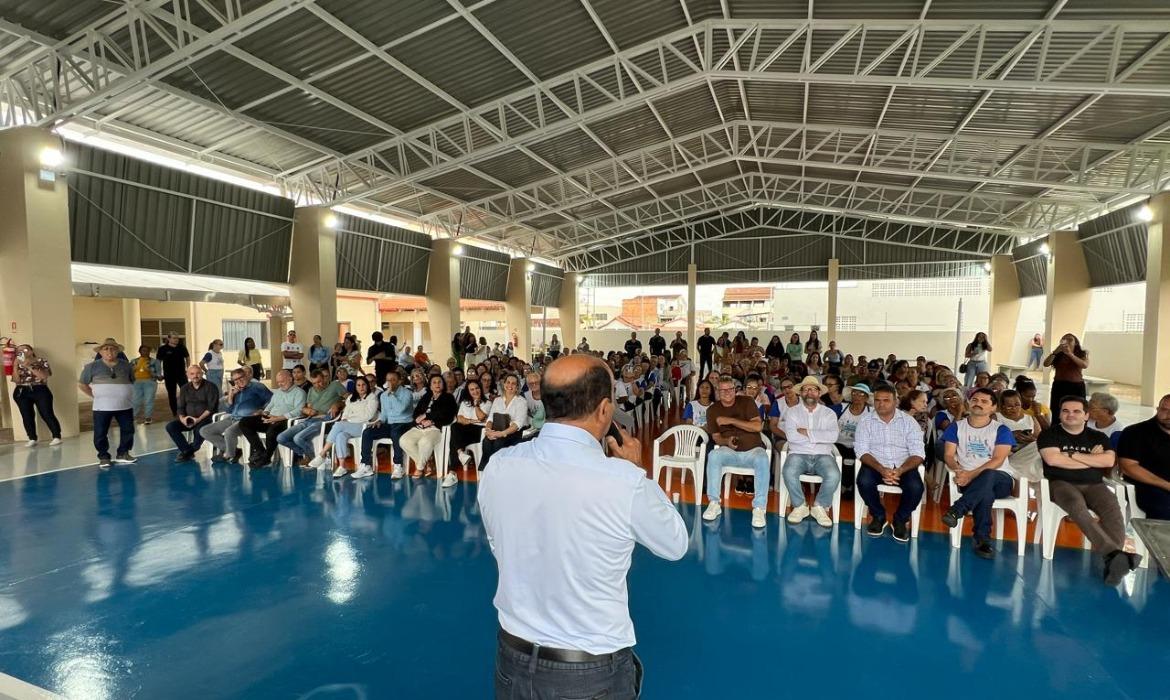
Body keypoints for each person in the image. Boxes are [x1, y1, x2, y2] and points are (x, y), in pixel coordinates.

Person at [479, 354, 685, 699]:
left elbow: (499, 544)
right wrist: (638, 471)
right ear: (604, 410)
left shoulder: (498, 466)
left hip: (512, 659)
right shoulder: (623, 482)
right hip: (588, 673)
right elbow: (674, 543)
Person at [1039, 395, 1139, 584]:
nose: (1070, 415)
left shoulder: (1098, 437)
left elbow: (1108, 461)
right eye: (1065, 411)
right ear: (1059, 414)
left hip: (1095, 484)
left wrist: (1071, 455)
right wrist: (1091, 460)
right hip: (1061, 483)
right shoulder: (1049, 435)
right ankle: (1114, 554)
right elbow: (1053, 460)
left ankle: (1115, 562)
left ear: (1086, 415)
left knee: (1112, 507)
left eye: (1076, 411)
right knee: (1076, 506)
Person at [939, 388, 1016, 560]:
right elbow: (949, 456)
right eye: (974, 400)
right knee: (985, 493)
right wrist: (958, 470)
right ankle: (982, 540)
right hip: (968, 480)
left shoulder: (1002, 430)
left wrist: (970, 475)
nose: (978, 403)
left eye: (984, 401)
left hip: (1000, 479)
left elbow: (998, 460)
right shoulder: (956, 427)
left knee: (988, 474)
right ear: (968, 403)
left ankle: (958, 509)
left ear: (993, 408)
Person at [854, 385, 926, 542]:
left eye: (886, 400)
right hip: (875, 464)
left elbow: (918, 453)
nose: (881, 404)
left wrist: (900, 470)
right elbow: (861, 451)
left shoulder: (909, 422)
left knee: (916, 487)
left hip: (903, 465)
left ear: (896, 401)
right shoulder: (865, 421)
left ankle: (900, 519)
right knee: (864, 481)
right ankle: (878, 515)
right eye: (877, 400)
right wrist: (881, 469)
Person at [702, 376, 770, 528]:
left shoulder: (747, 402)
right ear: (717, 392)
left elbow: (757, 427)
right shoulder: (712, 410)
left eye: (730, 389)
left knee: (762, 458)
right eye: (723, 390)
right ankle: (714, 503)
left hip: (753, 450)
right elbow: (716, 437)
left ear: (735, 390)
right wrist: (726, 441)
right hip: (729, 452)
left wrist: (731, 420)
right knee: (713, 455)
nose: (727, 392)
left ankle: (759, 508)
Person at [779, 376, 840, 527]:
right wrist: (819, 436)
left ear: (819, 393)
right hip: (798, 453)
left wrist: (806, 432)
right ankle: (800, 506)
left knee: (834, 475)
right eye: (806, 389)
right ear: (800, 393)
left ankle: (820, 506)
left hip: (823, 455)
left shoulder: (828, 413)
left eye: (813, 389)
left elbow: (833, 436)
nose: (809, 392)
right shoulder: (792, 412)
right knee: (788, 471)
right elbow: (791, 436)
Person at [78, 338, 136, 468]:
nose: (109, 351)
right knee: (100, 432)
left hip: (125, 405)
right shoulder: (91, 367)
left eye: (113, 349)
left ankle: (123, 454)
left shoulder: (127, 365)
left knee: (128, 430)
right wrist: (95, 395)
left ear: (118, 351)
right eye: (106, 349)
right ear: (101, 352)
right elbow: (82, 384)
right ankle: (104, 457)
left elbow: (132, 381)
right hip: (101, 407)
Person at [200, 368, 271, 463]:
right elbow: (229, 410)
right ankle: (233, 450)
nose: (239, 381)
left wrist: (262, 410)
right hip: (232, 418)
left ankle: (229, 455)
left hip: (247, 420)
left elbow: (271, 400)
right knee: (205, 431)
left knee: (229, 432)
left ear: (246, 376)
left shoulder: (257, 387)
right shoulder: (235, 390)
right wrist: (231, 395)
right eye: (235, 380)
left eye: (241, 377)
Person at [312, 376, 379, 476]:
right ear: (355, 387)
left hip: (364, 426)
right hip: (350, 426)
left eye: (363, 385)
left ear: (367, 386)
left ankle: (322, 454)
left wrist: (351, 418)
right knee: (340, 435)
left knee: (339, 425)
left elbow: (368, 416)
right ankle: (342, 466)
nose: (361, 387)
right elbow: (345, 414)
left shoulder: (372, 397)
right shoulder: (351, 398)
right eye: (358, 385)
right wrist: (347, 419)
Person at [276, 369, 346, 466]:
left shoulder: (335, 385)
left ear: (324, 378)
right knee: (281, 438)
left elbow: (350, 399)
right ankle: (308, 454)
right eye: (314, 383)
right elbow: (306, 407)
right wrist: (306, 410)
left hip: (325, 420)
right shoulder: (311, 390)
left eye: (319, 381)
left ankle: (314, 459)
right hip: (310, 419)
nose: (317, 385)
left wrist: (338, 404)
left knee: (298, 438)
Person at [1118, 393, 1170, 520]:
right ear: (1157, 409)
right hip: (1148, 487)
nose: (1169, 415)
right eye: (1165, 410)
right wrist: (1166, 485)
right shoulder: (1135, 432)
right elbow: (1128, 467)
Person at [238, 369, 305, 468]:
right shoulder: (278, 392)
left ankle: (266, 457)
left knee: (272, 431)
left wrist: (278, 418)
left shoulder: (299, 393)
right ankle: (260, 450)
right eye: (278, 382)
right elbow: (270, 405)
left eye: (282, 381)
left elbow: (299, 411)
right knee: (244, 422)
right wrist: (265, 413)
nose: (280, 384)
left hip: (284, 420)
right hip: (270, 418)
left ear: (290, 379)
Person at [356, 369, 415, 478]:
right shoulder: (383, 395)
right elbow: (384, 414)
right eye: (388, 380)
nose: (390, 382)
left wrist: (391, 394)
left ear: (399, 381)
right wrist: (379, 421)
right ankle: (366, 465)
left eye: (393, 380)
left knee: (395, 432)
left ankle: (398, 465)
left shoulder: (407, 393)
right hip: (390, 424)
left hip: (405, 424)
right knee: (368, 432)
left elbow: (400, 409)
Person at [400, 374, 457, 477]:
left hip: (436, 429)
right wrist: (419, 419)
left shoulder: (448, 398)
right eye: (434, 382)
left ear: (443, 384)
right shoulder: (426, 397)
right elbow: (416, 412)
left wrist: (430, 418)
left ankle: (420, 468)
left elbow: (447, 415)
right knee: (404, 440)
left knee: (424, 442)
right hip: (420, 427)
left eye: (439, 382)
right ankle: (426, 463)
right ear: (430, 386)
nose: (437, 384)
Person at [11, 344, 63, 447]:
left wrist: (28, 366)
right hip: (21, 391)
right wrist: (15, 367)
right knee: (27, 415)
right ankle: (32, 438)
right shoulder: (17, 363)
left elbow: (44, 376)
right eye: (19, 351)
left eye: (25, 350)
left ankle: (56, 436)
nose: (23, 352)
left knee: (46, 413)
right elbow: (16, 380)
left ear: (31, 351)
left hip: (39, 389)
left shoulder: (41, 361)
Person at [166, 364, 220, 461]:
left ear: (202, 374)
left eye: (198, 373)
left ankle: (188, 451)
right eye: (192, 374)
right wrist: (183, 418)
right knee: (171, 427)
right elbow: (180, 407)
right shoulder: (184, 388)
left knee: (198, 433)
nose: (195, 376)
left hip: (205, 419)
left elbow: (211, 408)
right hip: (189, 419)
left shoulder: (211, 387)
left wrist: (198, 420)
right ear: (188, 375)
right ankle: (186, 450)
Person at [480, 374, 530, 471]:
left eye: (513, 383)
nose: (510, 385)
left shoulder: (521, 401)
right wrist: (488, 431)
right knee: (486, 441)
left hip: (514, 432)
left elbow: (517, 424)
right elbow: (490, 419)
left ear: (517, 387)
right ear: (504, 384)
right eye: (508, 382)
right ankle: (487, 468)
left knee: (498, 442)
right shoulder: (497, 400)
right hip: (497, 430)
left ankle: (498, 469)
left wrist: (501, 434)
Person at [995, 389, 1042, 482]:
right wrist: (1011, 435)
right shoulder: (996, 417)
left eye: (1017, 405)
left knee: (1041, 446)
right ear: (1003, 406)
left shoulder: (1030, 418)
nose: (1014, 408)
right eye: (1009, 406)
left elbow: (1040, 438)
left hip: (1029, 451)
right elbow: (989, 437)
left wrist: (1031, 438)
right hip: (1009, 454)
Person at [1043, 333, 1089, 416]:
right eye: (1064, 339)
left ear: (1076, 343)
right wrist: (1054, 353)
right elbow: (1046, 364)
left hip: (1076, 386)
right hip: (1059, 385)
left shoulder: (1081, 353)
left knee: (1077, 410)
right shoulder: (1058, 354)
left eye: (1070, 340)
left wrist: (1070, 354)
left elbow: (1084, 365)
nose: (1067, 341)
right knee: (1057, 410)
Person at [451, 378, 490, 475]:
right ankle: (461, 455)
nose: (475, 391)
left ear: (480, 388)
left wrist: (476, 405)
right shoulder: (465, 403)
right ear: (468, 391)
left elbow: (481, 417)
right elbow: (459, 418)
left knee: (454, 440)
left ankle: (452, 471)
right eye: (472, 389)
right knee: (455, 427)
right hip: (466, 430)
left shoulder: (487, 403)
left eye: (477, 388)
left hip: (479, 431)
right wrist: (472, 421)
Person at [155, 333, 190, 417]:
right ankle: (175, 412)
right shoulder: (163, 349)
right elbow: (158, 361)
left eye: (177, 338)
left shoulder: (181, 347)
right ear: (169, 339)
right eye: (174, 338)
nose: (176, 340)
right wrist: (159, 373)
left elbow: (187, 358)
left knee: (186, 391)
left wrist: (188, 368)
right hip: (169, 375)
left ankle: (187, 410)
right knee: (171, 394)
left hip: (181, 374)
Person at [130, 345, 163, 424]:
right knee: (135, 400)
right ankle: (133, 417)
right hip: (136, 382)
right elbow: (128, 373)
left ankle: (148, 417)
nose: (145, 352)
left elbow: (159, 377)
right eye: (143, 350)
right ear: (139, 351)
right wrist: (133, 370)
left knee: (149, 400)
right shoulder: (133, 361)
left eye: (147, 351)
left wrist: (150, 371)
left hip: (150, 382)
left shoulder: (155, 362)